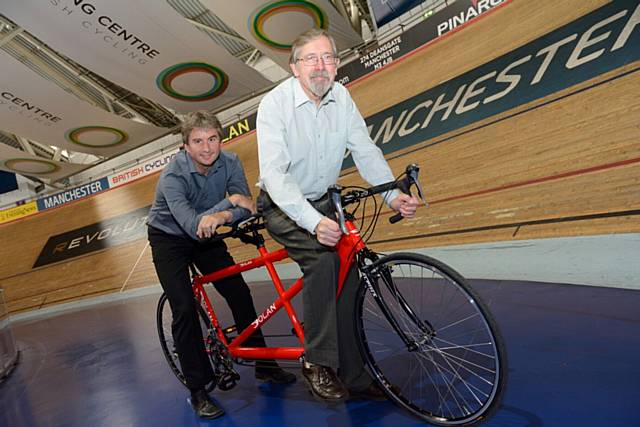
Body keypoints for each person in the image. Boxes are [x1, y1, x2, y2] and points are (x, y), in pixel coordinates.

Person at [256, 29, 420, 402]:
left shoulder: (341, 97)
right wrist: (313, 223)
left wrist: (392, 195)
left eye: (328, 58)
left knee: (350, 273)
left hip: (325, 200)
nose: (321, 66)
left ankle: (357, 376)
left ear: (336, 64)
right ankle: (317, 361)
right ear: (294, 67)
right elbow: (276, 177)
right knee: (323, 260)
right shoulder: (274, 104)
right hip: (284, 202)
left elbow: (364, 149)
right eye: (311, 58)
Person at [147, 111, 296, 419]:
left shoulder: (230, 162)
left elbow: (247, 207)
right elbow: (193, 225)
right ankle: (198, 390)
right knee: (184, 308)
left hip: (209, 233)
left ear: (220, 138)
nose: (207, 148)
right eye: (198, 141)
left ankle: (264, 364)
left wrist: (224, 215)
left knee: (239, 292)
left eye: (212, 139)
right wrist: (230, 204)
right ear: (186, 146)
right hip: (169, 238)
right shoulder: (173, 175)